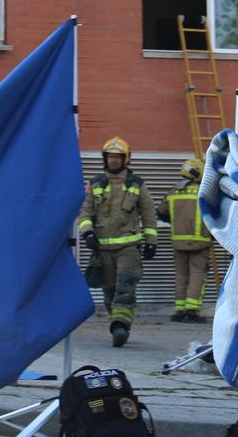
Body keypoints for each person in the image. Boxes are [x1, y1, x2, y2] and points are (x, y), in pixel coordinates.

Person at [77, 136, 159, 347]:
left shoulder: (137, 184)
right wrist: (87, 233)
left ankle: (120, 326)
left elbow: (149, 214)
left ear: (125, 159)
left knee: (126, 286)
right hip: (102, 250)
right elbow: (85, 213)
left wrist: (151, 242)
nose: (113, 160)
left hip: (128, 248)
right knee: (109, 291)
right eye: (110, 156)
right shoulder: (95, 184)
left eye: (117, 157)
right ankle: (116, 320)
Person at [157, 155, 213, 324]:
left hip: (178, 242)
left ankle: (179, 310)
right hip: (200, 242)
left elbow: (161, 212)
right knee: (197, 275)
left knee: (181, 275)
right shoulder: (204, 193)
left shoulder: (173, 192)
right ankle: (192, 311)